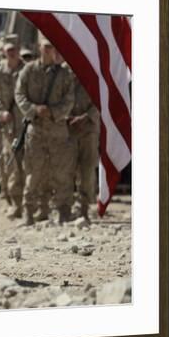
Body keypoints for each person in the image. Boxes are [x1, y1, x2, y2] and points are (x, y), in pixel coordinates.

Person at [15, 38, 75, 225]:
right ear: (39, 47)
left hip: (58, 130)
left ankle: (63, 211)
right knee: (34, 172)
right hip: (36, 129)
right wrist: (33, 110)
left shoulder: (64, 73)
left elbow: (69, 99)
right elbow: (19, 94)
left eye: (52, 46)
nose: (49, 50)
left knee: (61, 173)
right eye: (46, 46)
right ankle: (29, 212)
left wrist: (53, 112)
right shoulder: (28, 70)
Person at [0, 43, 27, 219]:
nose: (12, 53)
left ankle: (26, 203)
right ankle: (13, 201)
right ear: (4, 52)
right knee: (9, 165)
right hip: (8, 128)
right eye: (9, 50)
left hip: (28, 125)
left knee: (30, 165)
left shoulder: (27, 71)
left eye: (15, 49)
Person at [66, 63, 100, 220]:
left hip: (88, 130)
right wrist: (65, 117)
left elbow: (101, 101)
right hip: (67, 130)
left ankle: (83, 207)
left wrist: (85, 117)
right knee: (65, 170)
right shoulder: (63, 77)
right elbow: (55, 100)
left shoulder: (92, 78)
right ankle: (65, 206)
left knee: (87, 170)